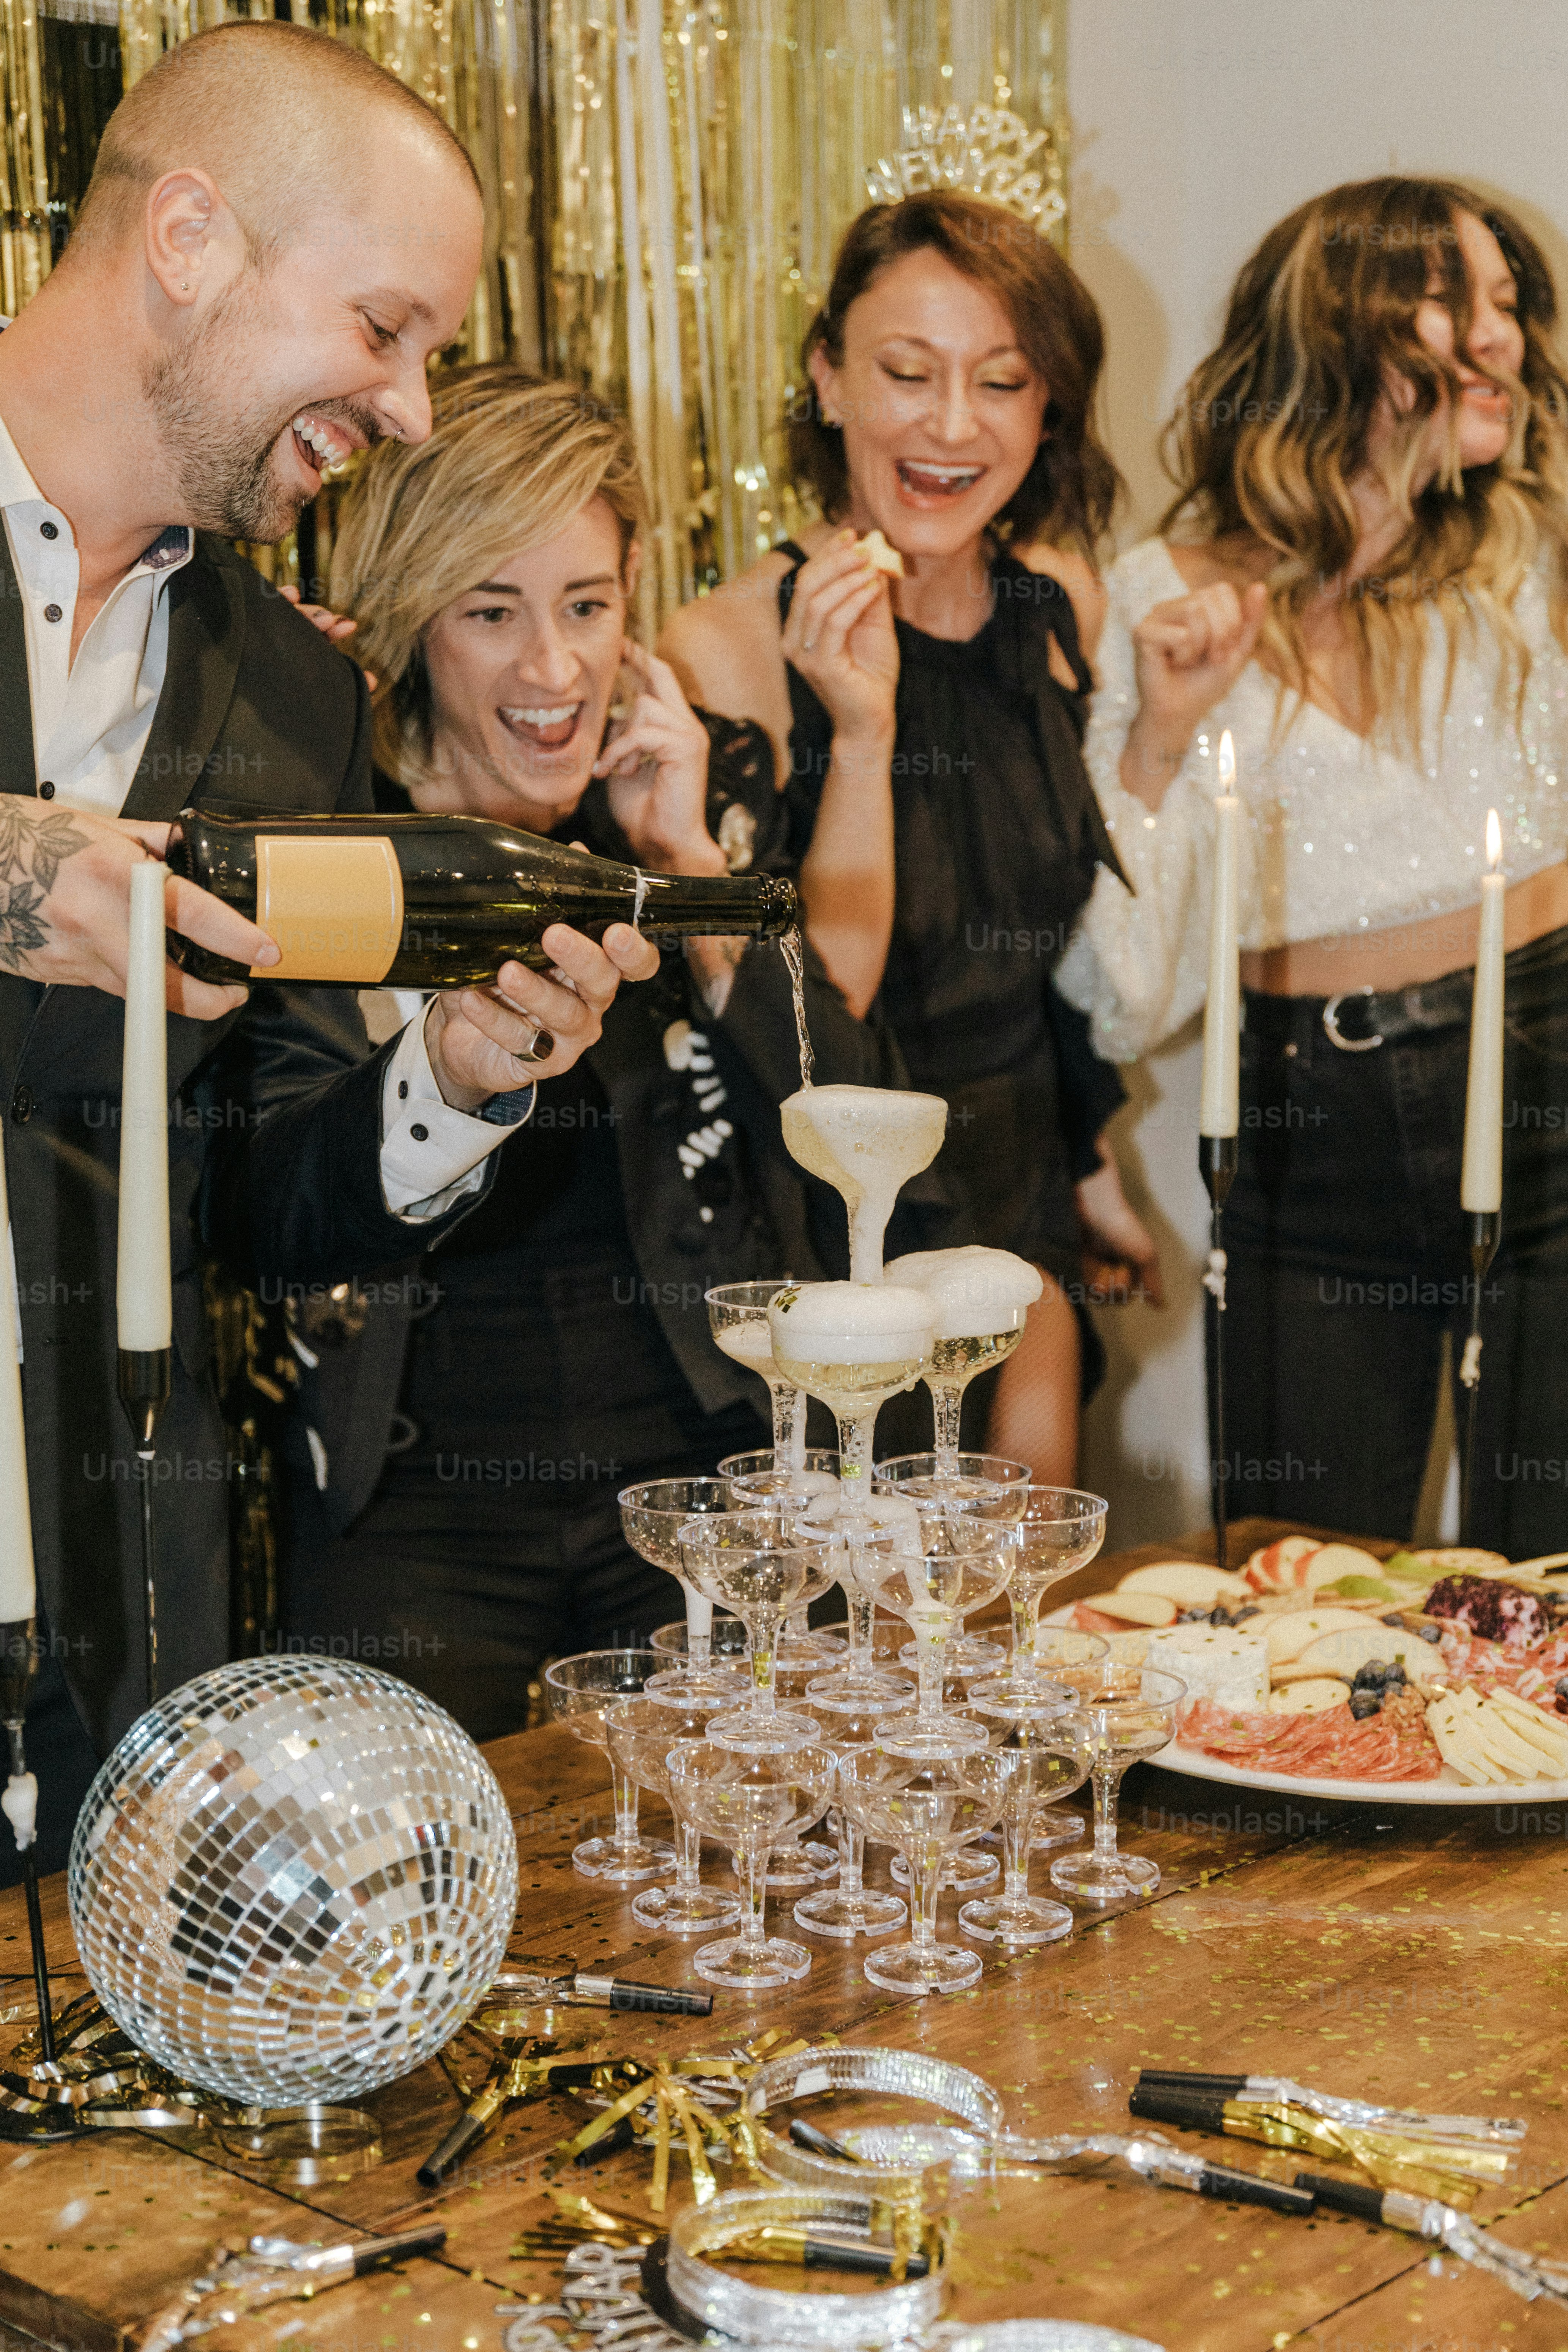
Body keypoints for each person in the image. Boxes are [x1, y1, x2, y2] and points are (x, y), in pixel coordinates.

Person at [0, 24, 658, 1873]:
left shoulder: (294, 692)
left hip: (118, 1594)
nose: (412, 411)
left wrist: (440, 1083)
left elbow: (260, 1184)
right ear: (190, 236)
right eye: (385, 329)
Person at [275, 367, 913, 1741]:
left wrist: (688, 866)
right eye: (490, 612)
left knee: (798, 1822)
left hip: (696, 1476)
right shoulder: (331, 842)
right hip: (417, 1496)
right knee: (366, 1839)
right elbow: (281, 1199)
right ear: (408, 625)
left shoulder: (684, 809)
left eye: (587, 606)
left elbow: (851, 1136)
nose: (553, 672)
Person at [1055, 176, 1568, 1551]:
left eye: (1513, 309)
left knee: (1557, 1584)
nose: (1504, 345)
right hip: (1299, 1127)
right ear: (1340, 332)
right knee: (1298, 1579)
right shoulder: (1163, 598)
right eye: (1462, 308)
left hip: (1551, 1067)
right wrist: (1160, 735)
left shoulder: (1533, 558)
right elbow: (1120, 1003)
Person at [660, 190, 1161, 1483]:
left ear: (1047, 406)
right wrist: (862, 731)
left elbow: (1056, 931)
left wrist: (1091, 1157)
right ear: (827, 377)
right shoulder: (726, 650)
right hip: (834, 1227)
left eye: (1002, 381)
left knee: (1012, 1622)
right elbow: (822, 1012)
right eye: (905, 372)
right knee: (855, 1648)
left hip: (1022, 1196)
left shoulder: (1059, 606)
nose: (952, 426)